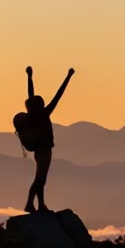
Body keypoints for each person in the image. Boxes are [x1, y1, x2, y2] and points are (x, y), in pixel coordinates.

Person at [23, 65, 74, 213]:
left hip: (39, 150)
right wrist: (68, 77)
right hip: (44, 150)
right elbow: (59, 94)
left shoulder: (32, 116)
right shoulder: (44, 113)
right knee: (40, 178)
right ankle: (30, 204)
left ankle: (40, 205)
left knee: (41, 178)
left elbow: (30, 95)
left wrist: (30, 77)